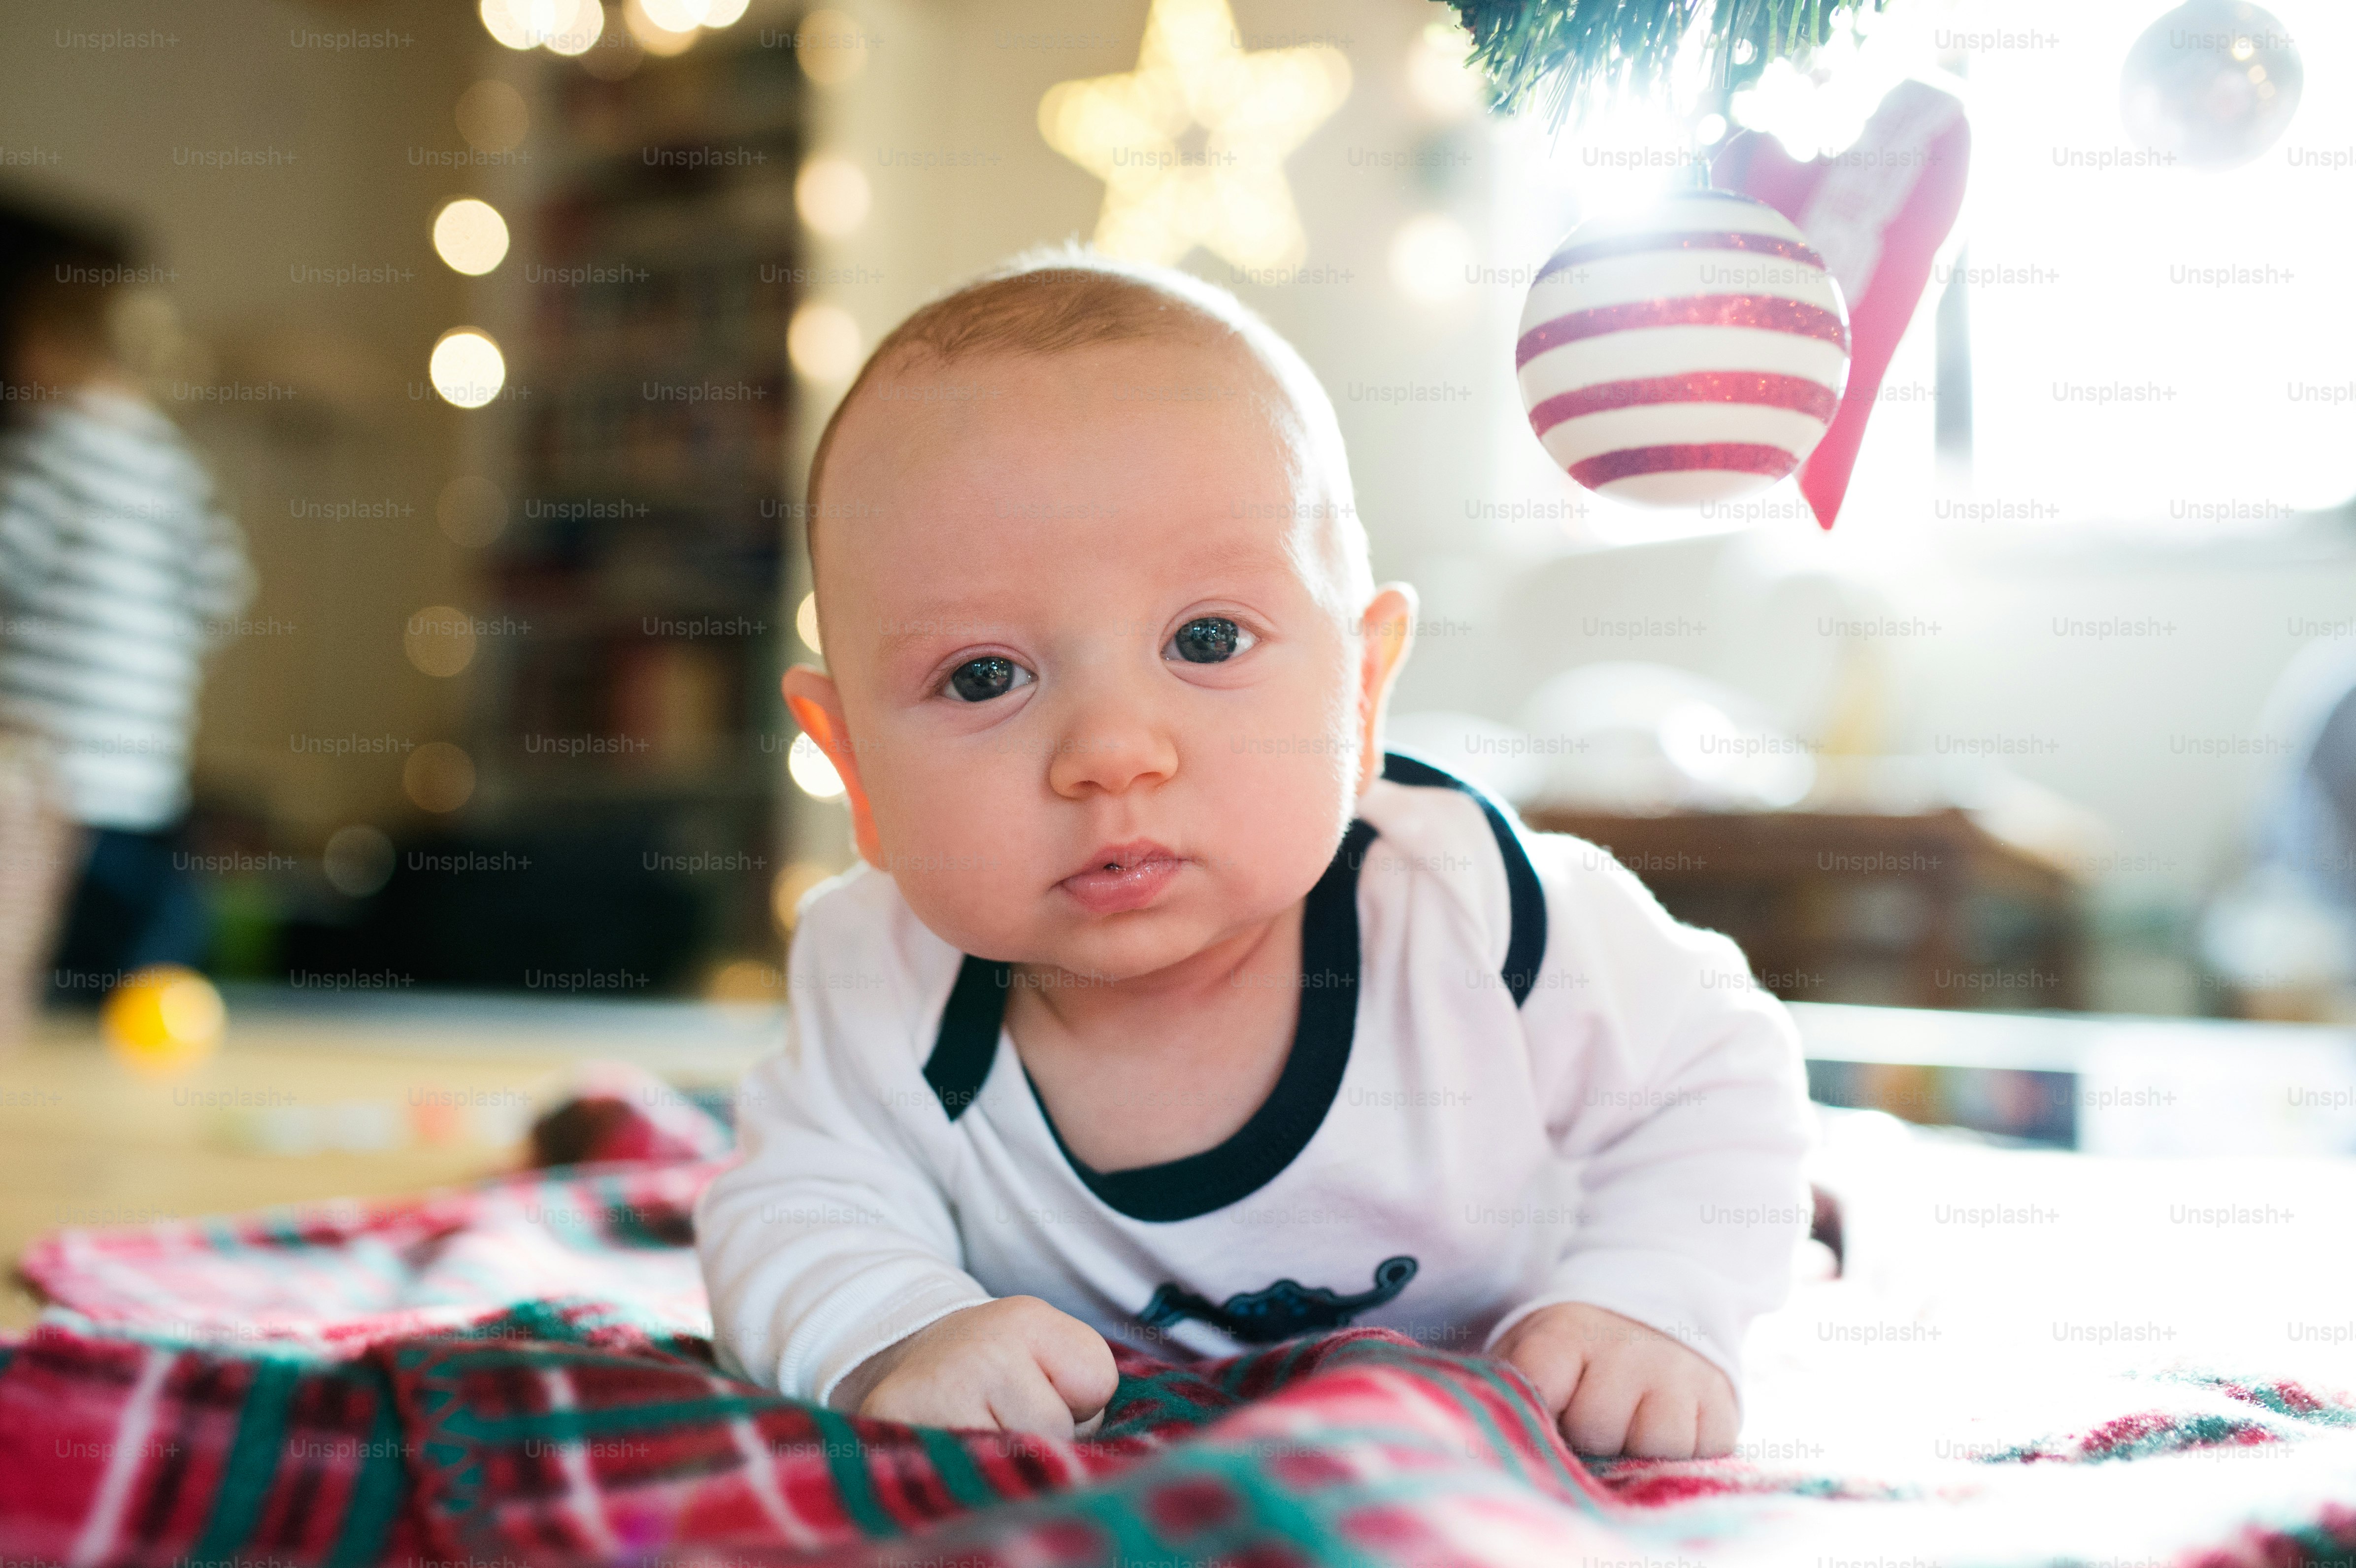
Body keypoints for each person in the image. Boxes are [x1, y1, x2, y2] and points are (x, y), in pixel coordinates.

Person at [696, 250, 1815, 1460]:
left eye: (1209, 638)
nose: (1112, 751)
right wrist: (896, 1331)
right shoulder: (880, 973)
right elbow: (795, 1206)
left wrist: (1651, 1295)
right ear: (854, 764)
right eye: (984, 675)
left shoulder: (1477, 912)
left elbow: (1714, 1071)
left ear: (1364, 689)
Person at [0, 200, 253, 1003]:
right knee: (137, 979)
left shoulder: (44, 453)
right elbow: (222, 591)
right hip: (148, 778)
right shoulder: (169, 465)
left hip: (49, 785)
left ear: (44, 347)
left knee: (35, 972)